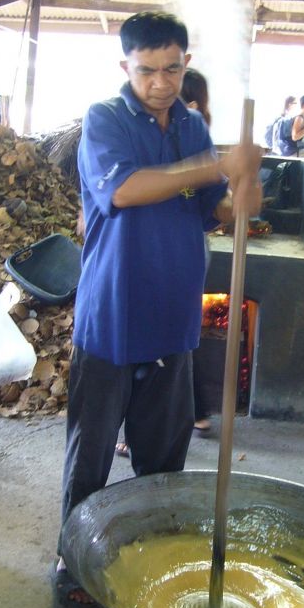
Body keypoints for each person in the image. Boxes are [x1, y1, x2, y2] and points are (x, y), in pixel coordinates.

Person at [53, 12, 261, 608]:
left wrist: (242, 194)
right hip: (113, 316)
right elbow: (124, 190)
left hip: (174, 316)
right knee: (90, 455)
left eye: (172, 68)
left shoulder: (192, 127)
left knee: (163, 460)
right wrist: (217, 165)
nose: (161, 82)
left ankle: (147, 556)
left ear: (185, 63)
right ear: (126, 66)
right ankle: (74, 560)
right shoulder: (105, 119)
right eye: (147, 70)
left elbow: (214, 209)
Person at [114, 66, 214, 458]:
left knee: (170, 346)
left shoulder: (192, 132)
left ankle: (180, 417)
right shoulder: (116, 121)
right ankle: (178, 416)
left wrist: (232, 195)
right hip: (150, 255)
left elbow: (208, 201)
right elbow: (122, 190)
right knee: (163, 345)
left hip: (178, 256)